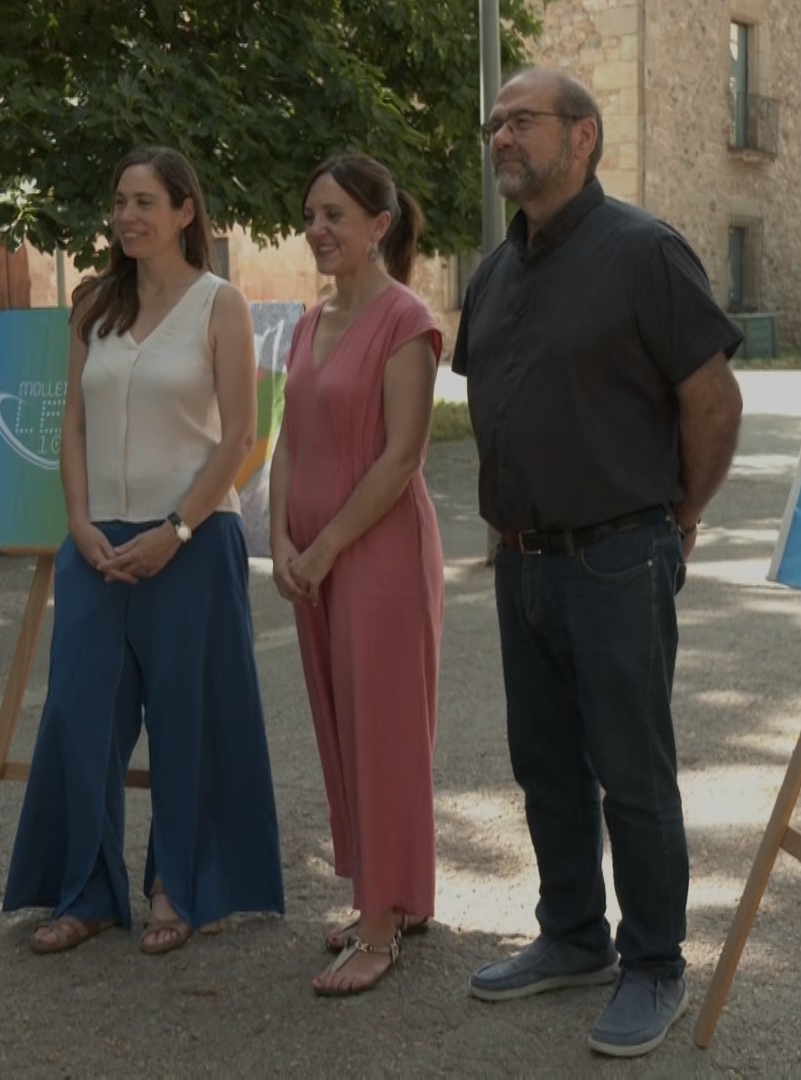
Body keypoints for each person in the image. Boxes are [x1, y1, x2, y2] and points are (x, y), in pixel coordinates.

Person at [453, 69, 746, 1058]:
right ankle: (573, 935)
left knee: (632, 771)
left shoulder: (643, 251)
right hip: (521, 563)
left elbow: (712, 400)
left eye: (522, 120)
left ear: (583, 138)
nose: (502, 135)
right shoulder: (494, 274)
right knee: (544, 764)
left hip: (619, 555)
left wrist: (682, 514)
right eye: (496, 122)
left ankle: (653, 961)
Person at [0, 146, 285, 956]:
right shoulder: (93, 305)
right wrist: (78, 521)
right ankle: (85, 892)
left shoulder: (220, 304)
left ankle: (178, 888)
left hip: (193, 540)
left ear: (185, 211)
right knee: (78, 715)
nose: (127, 216)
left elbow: (239, 435)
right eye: (120, 201)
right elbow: (74, 426)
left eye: (145, 202)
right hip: (95, 544)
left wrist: (177, 531)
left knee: (189, 721)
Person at [269, 154, 444, 996]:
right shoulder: (310, 322)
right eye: (311, 215)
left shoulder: (405, 320)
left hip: (376, 556)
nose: (317, 230)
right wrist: (278, 537)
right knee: (345, 729)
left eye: (334, 215)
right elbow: (288, 439)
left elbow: (402, 456)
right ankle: (390, 895)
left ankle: (380, 928)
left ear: (379, 225)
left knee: (383, 733)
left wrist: (326, 546)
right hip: (314, 558)